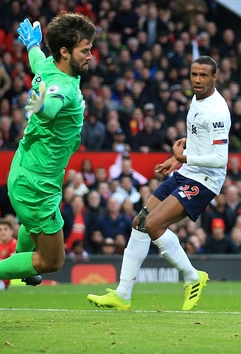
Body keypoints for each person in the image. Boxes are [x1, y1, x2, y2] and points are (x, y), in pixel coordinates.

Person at [0, 14, 94, 294]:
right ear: (65, 52)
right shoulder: (63, 87)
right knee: (53, 260)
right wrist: (40, 104)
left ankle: (25, 267)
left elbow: (37, 61)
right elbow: (52, 106)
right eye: (85, 50)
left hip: (31, 170)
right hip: (36, 184)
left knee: (35, 232)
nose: (91, 56)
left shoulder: (50, 65)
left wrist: (33, 45)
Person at [88, 56, 231, 310]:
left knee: (154, 225)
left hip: (206, 179)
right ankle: (122, 294)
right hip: (186, 170)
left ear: (214, 78)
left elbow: (220, 160)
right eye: (194, 74)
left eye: (203, 75)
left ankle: (192, 277)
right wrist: (174, 160)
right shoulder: (196, 99)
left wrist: (182, 157)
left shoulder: (218, 111)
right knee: (140, 222)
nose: (197, 80)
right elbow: (197, 136)